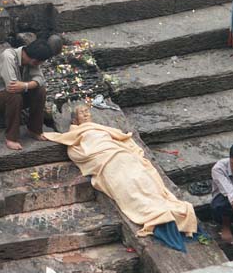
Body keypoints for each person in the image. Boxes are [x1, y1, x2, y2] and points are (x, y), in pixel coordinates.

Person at [45, 105, 198, 251]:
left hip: (120, 154)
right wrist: (95, 159)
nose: (86, 114)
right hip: (105, 159)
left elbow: (122, 139)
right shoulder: (76, 134)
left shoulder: (102, 128)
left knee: (142, 176)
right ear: (75, 120)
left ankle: (160, 205)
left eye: (87, 111)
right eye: (81, 113)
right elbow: (75, 153)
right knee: (126, 185)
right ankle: (151, 211)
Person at [0, 40, 53, 151]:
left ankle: (34, 130)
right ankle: (11, 137)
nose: (39, 66)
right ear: (35, 61)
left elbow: (40, 80)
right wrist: (26, 86)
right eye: (39, 63)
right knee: (14, 96)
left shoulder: (31, 60)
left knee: (40, 90)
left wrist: (26, 85)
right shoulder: (8, 57)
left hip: (19, 94)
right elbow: (12, 86)